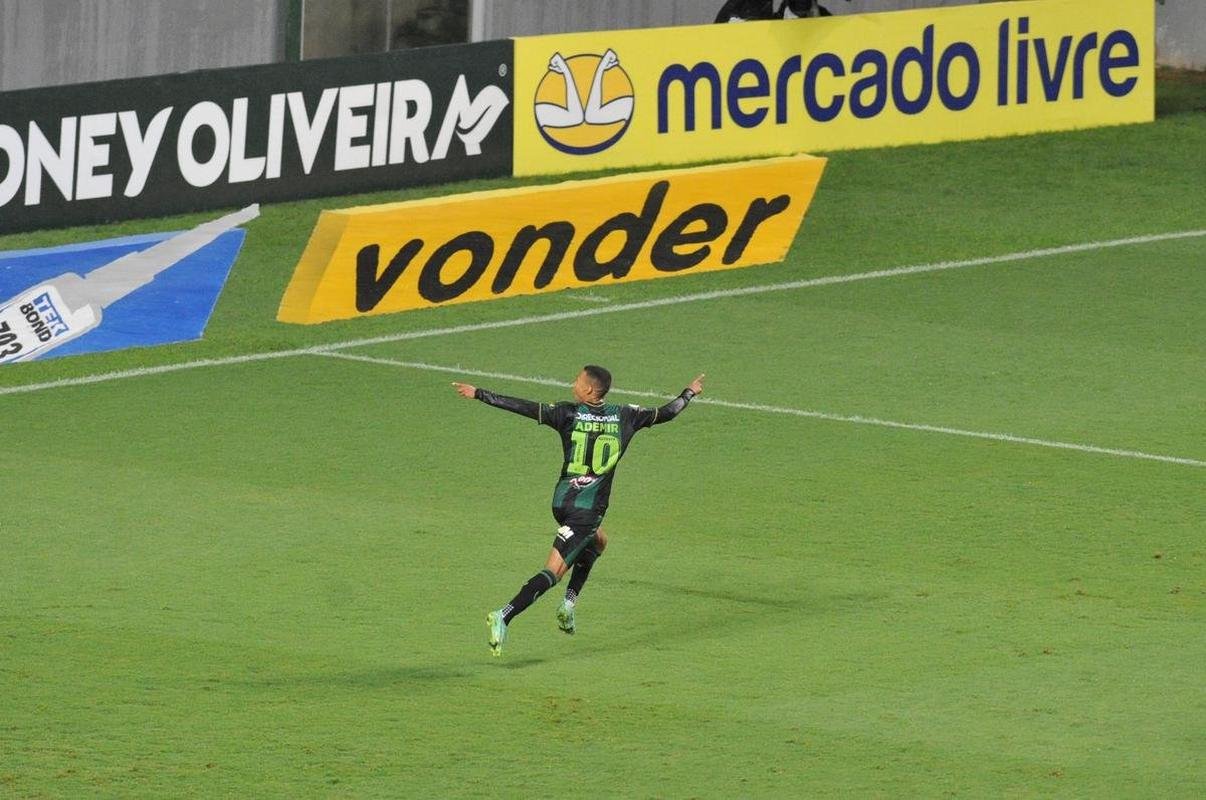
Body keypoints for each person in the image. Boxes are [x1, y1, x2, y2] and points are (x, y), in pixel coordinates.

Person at [452, 366, 705, 656]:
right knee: (553, 572)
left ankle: (568, 606)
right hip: (586, 511)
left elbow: (523, 406)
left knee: (599, 542)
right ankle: (504, 615)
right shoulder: (627, 415)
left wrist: (480, 394)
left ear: (588, 390)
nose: (573, 383)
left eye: (577, 380)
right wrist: (689, 393)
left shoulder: (567, 414)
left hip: (563, 501)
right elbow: (668, 412)